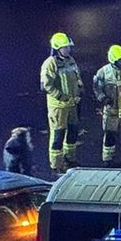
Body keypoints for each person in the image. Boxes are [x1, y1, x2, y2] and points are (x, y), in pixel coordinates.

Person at [40, 32, 84, 173]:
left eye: (68, 47)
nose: (67, 50)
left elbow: (77, 77)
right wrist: (60, 96)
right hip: (58, 107)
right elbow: (46, 85)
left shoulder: (70, 60)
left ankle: (70, 159)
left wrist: (80, 89)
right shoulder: (50, 63)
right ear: (57, 48)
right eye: (64, 47)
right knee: (58, 136)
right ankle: (56, 166)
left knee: (72, 133)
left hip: (72, 104)